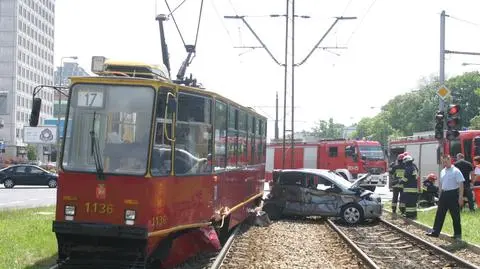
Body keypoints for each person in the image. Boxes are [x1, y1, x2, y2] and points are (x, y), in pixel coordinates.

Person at [426, 154, 464, 240]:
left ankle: (457, 235)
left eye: (446, 161)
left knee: (455, 215)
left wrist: (460, 197)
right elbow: (441, 183)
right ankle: (435, 232)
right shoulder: (443, 171)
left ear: (450, 160)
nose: (444, 163)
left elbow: (461, 184)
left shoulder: (456, 171)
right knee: (440, 213)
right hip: (444, 194)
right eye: (443, 162)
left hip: (453, 194)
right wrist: (439, 194)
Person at [401, 154, 419, 219]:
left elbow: (406, 178)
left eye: (405, 163)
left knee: (408, 204)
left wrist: (399, 181)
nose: (404, 164)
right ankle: (414, 215)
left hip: (408, 189)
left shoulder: (408, 168)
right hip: (414, 189)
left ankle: (409, 215)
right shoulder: (414, 167)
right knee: (413, 203)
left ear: (407, 162)